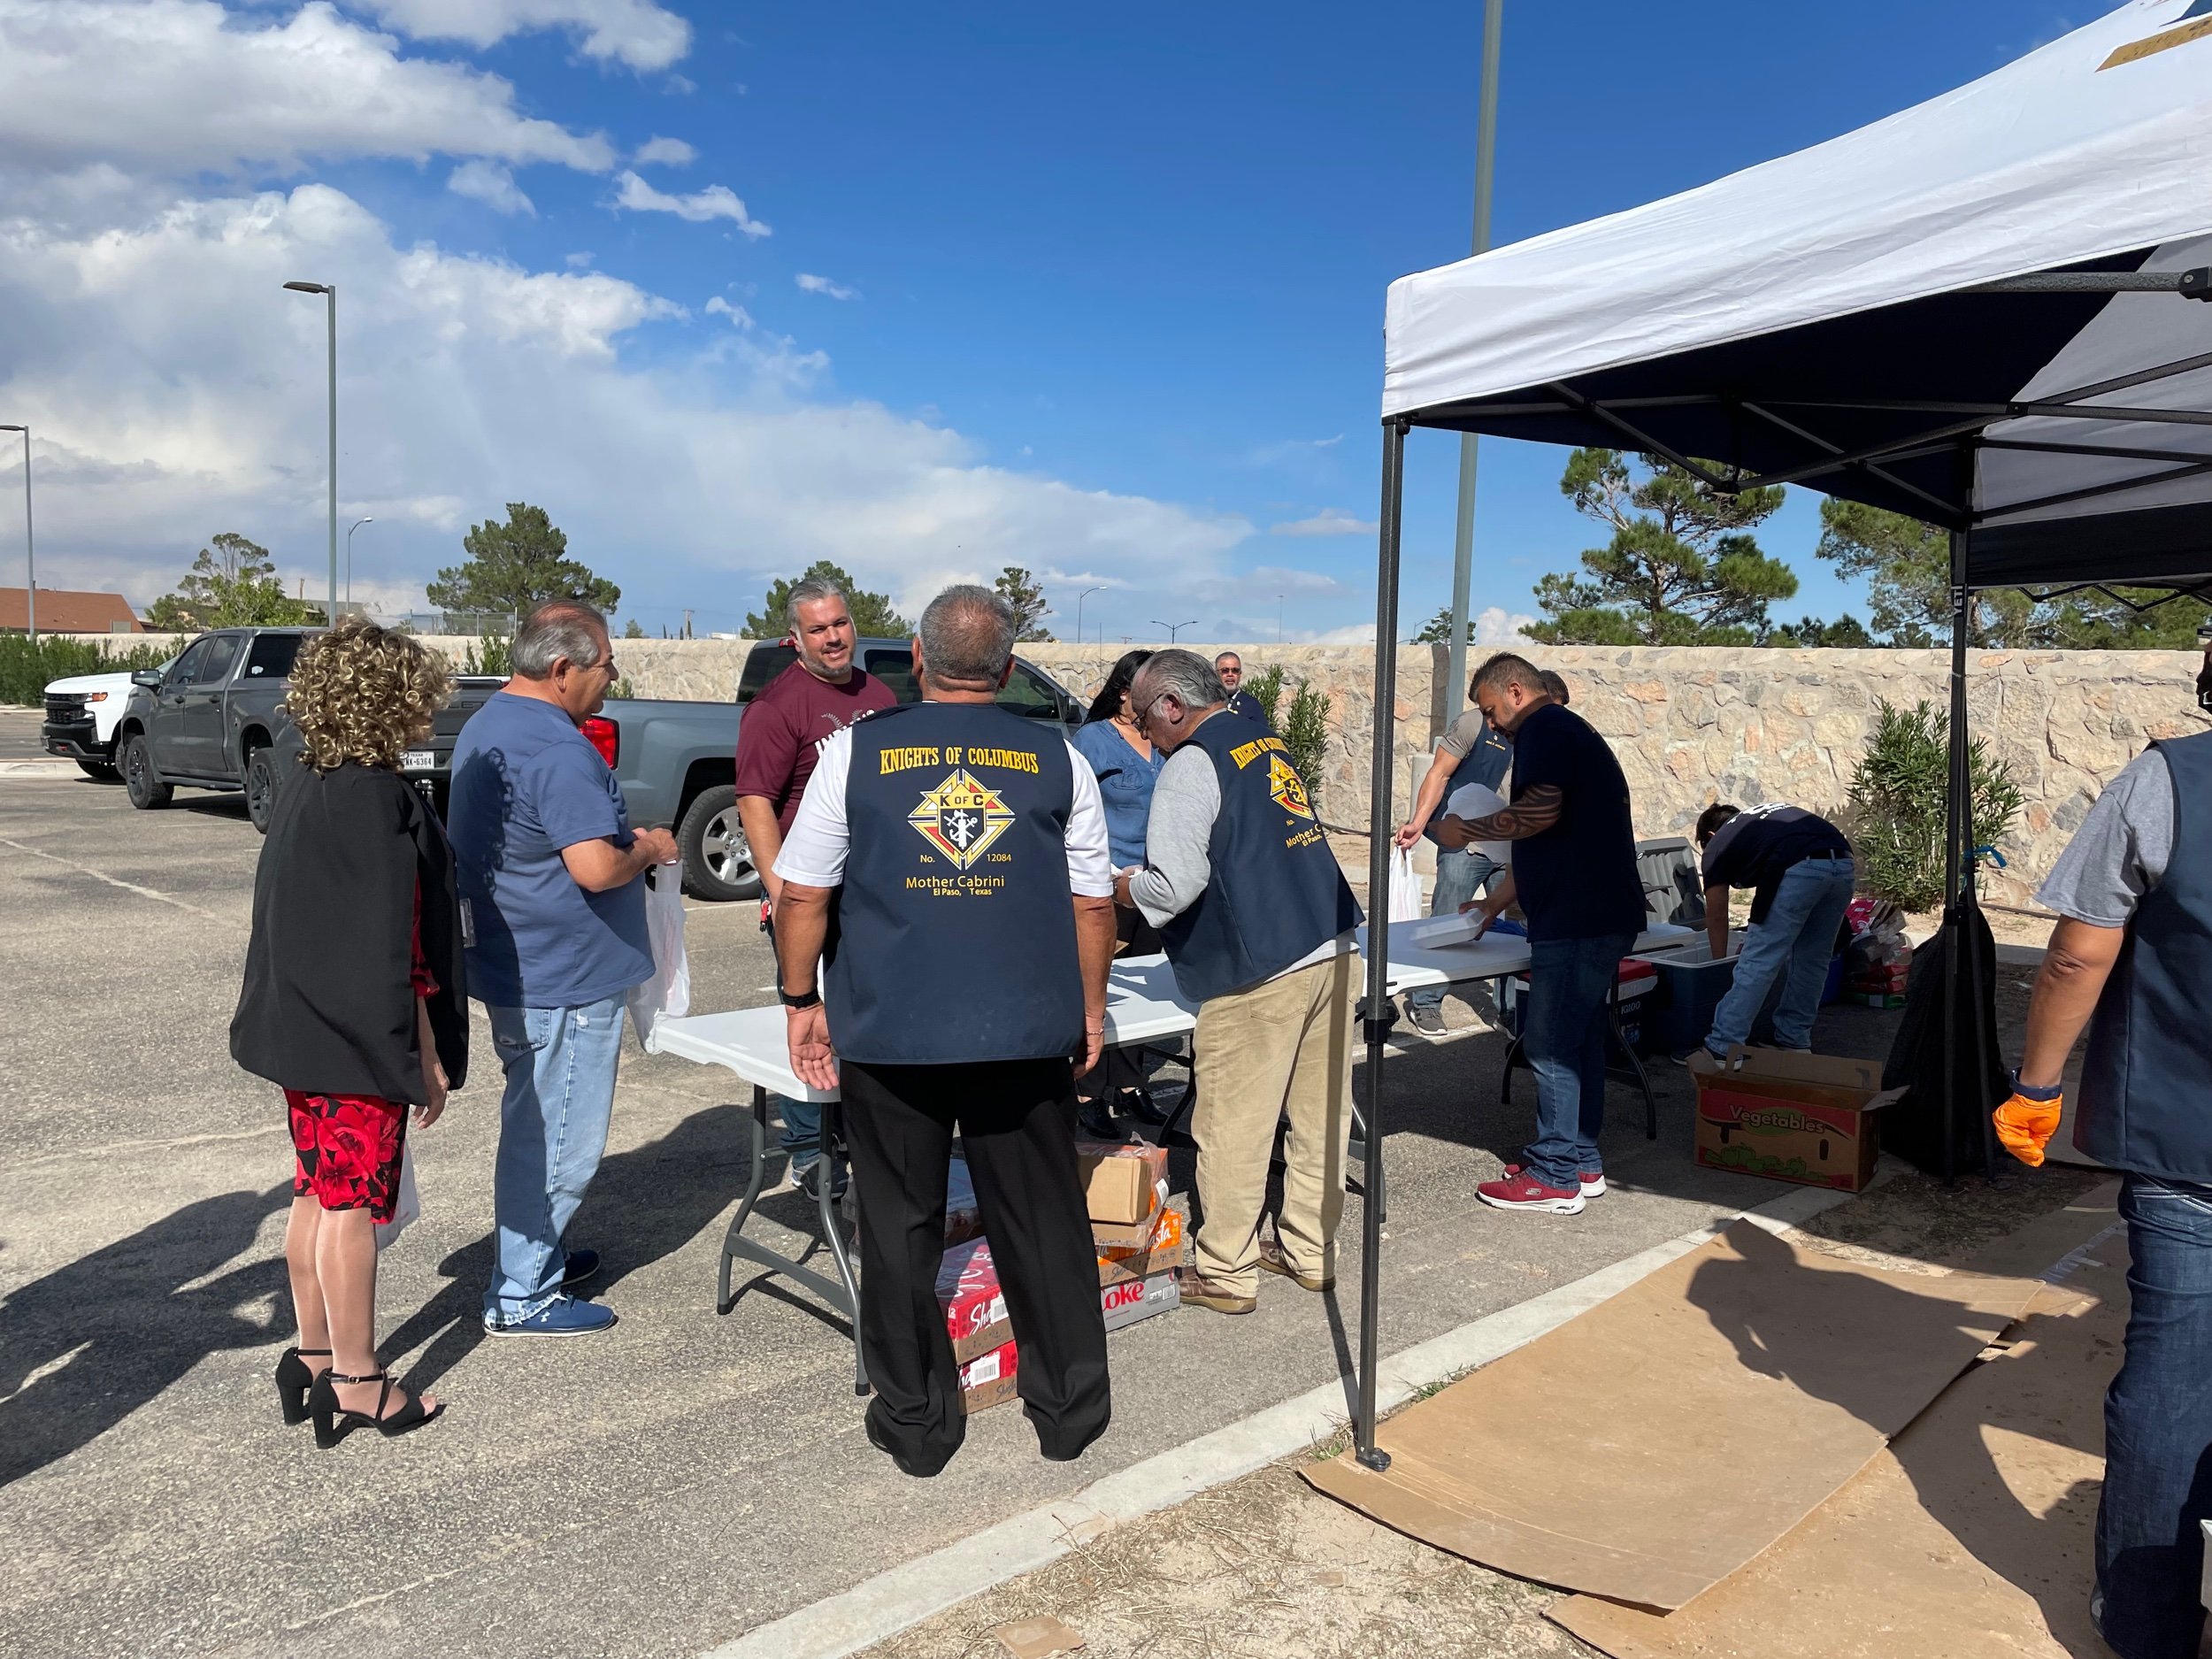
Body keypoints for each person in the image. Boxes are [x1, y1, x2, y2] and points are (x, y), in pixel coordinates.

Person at [773, 585, 1118, 1479]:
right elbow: (1091, 903)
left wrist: (798, 997)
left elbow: (802, 892)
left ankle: (917, 1423)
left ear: (916, 663)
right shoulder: (1059, 757)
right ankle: (1069, 1411)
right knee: (1042, 1221)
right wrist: (1090, 1007)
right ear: (1006, 671)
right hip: (1024, 1032)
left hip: (893, 1036)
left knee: (896, 1229)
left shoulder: (852, 754)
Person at [1996, 649, 2212, 1659]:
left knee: (2170, 1382)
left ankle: (2146, 1624)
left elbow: (2080, 952)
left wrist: (2036, 1088)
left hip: (2187, 1147)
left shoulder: (2168, 779)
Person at [231, 618, 467, 1445]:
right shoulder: (378, 797)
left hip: (301, 1028)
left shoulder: (305, 775)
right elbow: (394, 945)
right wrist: (425, 1053)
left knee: (315, 1190)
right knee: (354, 1208)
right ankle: (360, 1379)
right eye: (418, 698)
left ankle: (313, 1352)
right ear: (391, 700)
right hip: (355, 1038)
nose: (427, 712)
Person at [449, 601, 680, 1337]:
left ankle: (534, 1250)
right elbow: (594, 865)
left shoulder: (491, 722)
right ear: (563, 670)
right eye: (606, 662)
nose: (613, 674)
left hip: (518, 964)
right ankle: (523, 1292)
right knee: (558, 1135)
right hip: (565, 977)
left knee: (535, 1119)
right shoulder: (555, 746)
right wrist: (648, 849)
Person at [1116, 649, 1363, 1314]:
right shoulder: (1265, 739)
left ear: (1172, 705)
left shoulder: (1191, 763)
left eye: (1144, 719)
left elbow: (1175, 883)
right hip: (1334, 945)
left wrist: (1119, 886)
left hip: (1260, 967)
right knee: (1322, 1116)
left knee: (1232, 1125)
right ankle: (1310, 1249)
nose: (1145, 734)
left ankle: (1226, 1268)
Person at [1441, 653, 1646, 1216]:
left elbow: (1537, 815)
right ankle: (1580, 1159)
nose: (1491, 726)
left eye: (1489, 711)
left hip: (1579, 918)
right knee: (1576, 1039)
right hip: (1595, 913)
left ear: (1513, 691)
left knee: (1550, 1042)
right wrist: (1491, 906)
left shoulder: (1546, 728)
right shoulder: (1566, 731)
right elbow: (1545, 839)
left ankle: (1554, 1175)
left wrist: (1467, 830)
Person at [733, 576, 899, 1195]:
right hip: (808, 892)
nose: (834, 637)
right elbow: (754, 802)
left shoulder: (879, 693)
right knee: (808, 1011)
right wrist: (781, 893)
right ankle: (807, 1149)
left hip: (873, 893)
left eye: (840, 623)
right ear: (795, 638)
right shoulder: (778, 706)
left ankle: (860, 1132)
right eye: (819, 628)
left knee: (860, 1016)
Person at [1071, 649, 1169, 1133]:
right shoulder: (1094, 739)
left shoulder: (1163, 740)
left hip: (1155, 883)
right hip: (1106, 884)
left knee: (1143, 989)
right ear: (1124, 689)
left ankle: (1130, 1085)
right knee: (1102, 986)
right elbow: (1073, 807)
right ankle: (1089, 1090)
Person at [1394, 672, 1517, 1038]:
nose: (1493, 718)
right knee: (1449, 920)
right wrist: (1419, 822)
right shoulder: (1472, 723)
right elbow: (1438, 774)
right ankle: (1427, 1003)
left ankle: (1510, 1008)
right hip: (1466, 842)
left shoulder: (1531, 734)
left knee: (1512, 931)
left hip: (1511, 845)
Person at [1694, 803, 1855, 1057]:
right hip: (1844, 863)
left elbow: (1716, 915)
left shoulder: (1717, 844)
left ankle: (1723, 1046)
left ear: (1710, 837)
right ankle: (1795, 1041)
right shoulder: (1757, 821)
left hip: (1797, 866)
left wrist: (1719, 965)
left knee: (1760, 960)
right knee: (1813, 960)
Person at [1215, 651, 1270, 725]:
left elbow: (1261, 733)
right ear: (1216, 674)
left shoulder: (1251, 704)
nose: (1230, 674)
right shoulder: (1206, 701)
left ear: (1240, 674)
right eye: (1225, 670)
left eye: (1235, 671)